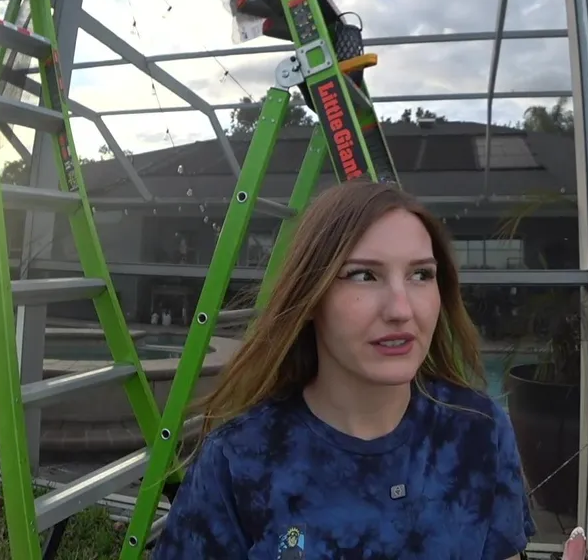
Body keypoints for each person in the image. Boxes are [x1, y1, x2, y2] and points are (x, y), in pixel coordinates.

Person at [152, 181, 535, 559]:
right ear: (310, 294)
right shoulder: (240, 458)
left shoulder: (479, 432)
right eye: (364, 275)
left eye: (421, 274)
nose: (401, 309)